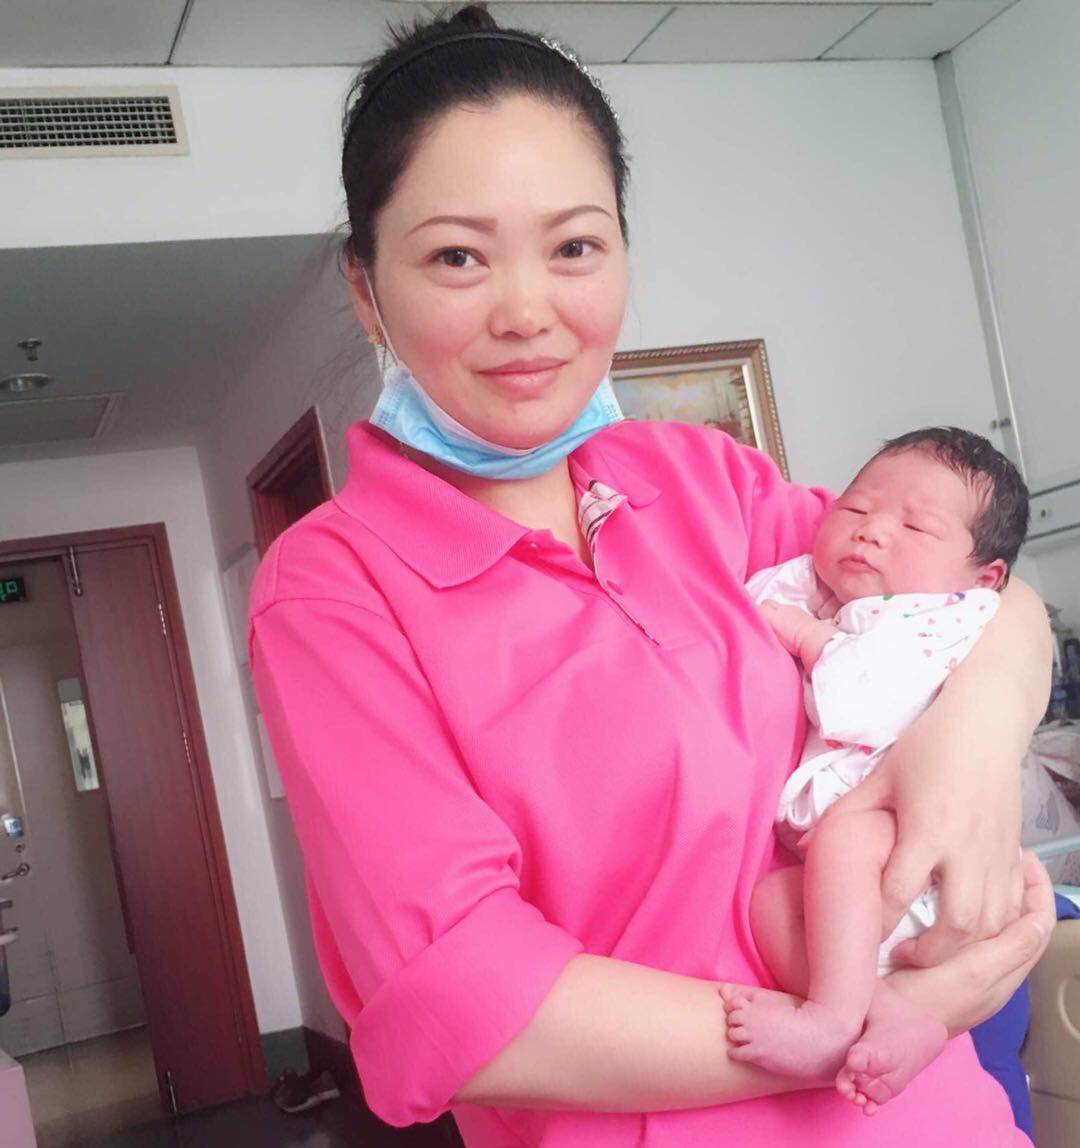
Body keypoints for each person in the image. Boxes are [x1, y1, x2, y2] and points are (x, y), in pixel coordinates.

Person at [247, 8, 1055, 1145]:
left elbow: (981, 595)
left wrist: (970, 742)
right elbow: (475, 1012)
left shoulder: (701, 477)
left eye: (575, 247)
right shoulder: (335, 588)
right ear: (366, 288)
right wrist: (883, 1020)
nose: (527, 312)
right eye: (457, 256)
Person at [722, 428, 1029, 1112]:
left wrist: (808, 636)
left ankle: (830, 1019)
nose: (872, 531)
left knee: (846, 839)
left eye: (915, 527)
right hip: (867, 883)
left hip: (919, 853)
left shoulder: (942, 618)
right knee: (772, 904)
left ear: (984, 578)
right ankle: (890, 1011)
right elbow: (753, 603)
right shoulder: (842, 593)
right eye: (856, 508)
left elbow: (860, 706)